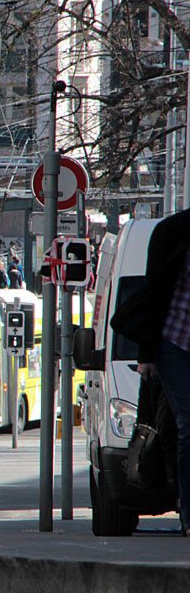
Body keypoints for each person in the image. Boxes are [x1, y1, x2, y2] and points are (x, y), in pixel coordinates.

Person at [134, 208, 190, 536]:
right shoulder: (172, 232)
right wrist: (145, 354)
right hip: (175, 340)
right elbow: (151, 295)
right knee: (188, 425)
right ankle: (188, 510)